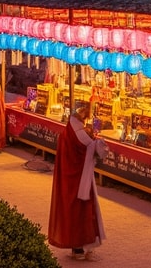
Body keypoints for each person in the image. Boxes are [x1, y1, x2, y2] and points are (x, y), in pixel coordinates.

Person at [48, 102, 104, 261]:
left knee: (71, 210)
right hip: (80, 178)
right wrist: (98, 140)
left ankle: (77, 247)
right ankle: (82, 246)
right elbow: (95, 148)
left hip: (69, 178)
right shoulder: (78, 132)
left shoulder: (68, 131)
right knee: (82, 211)